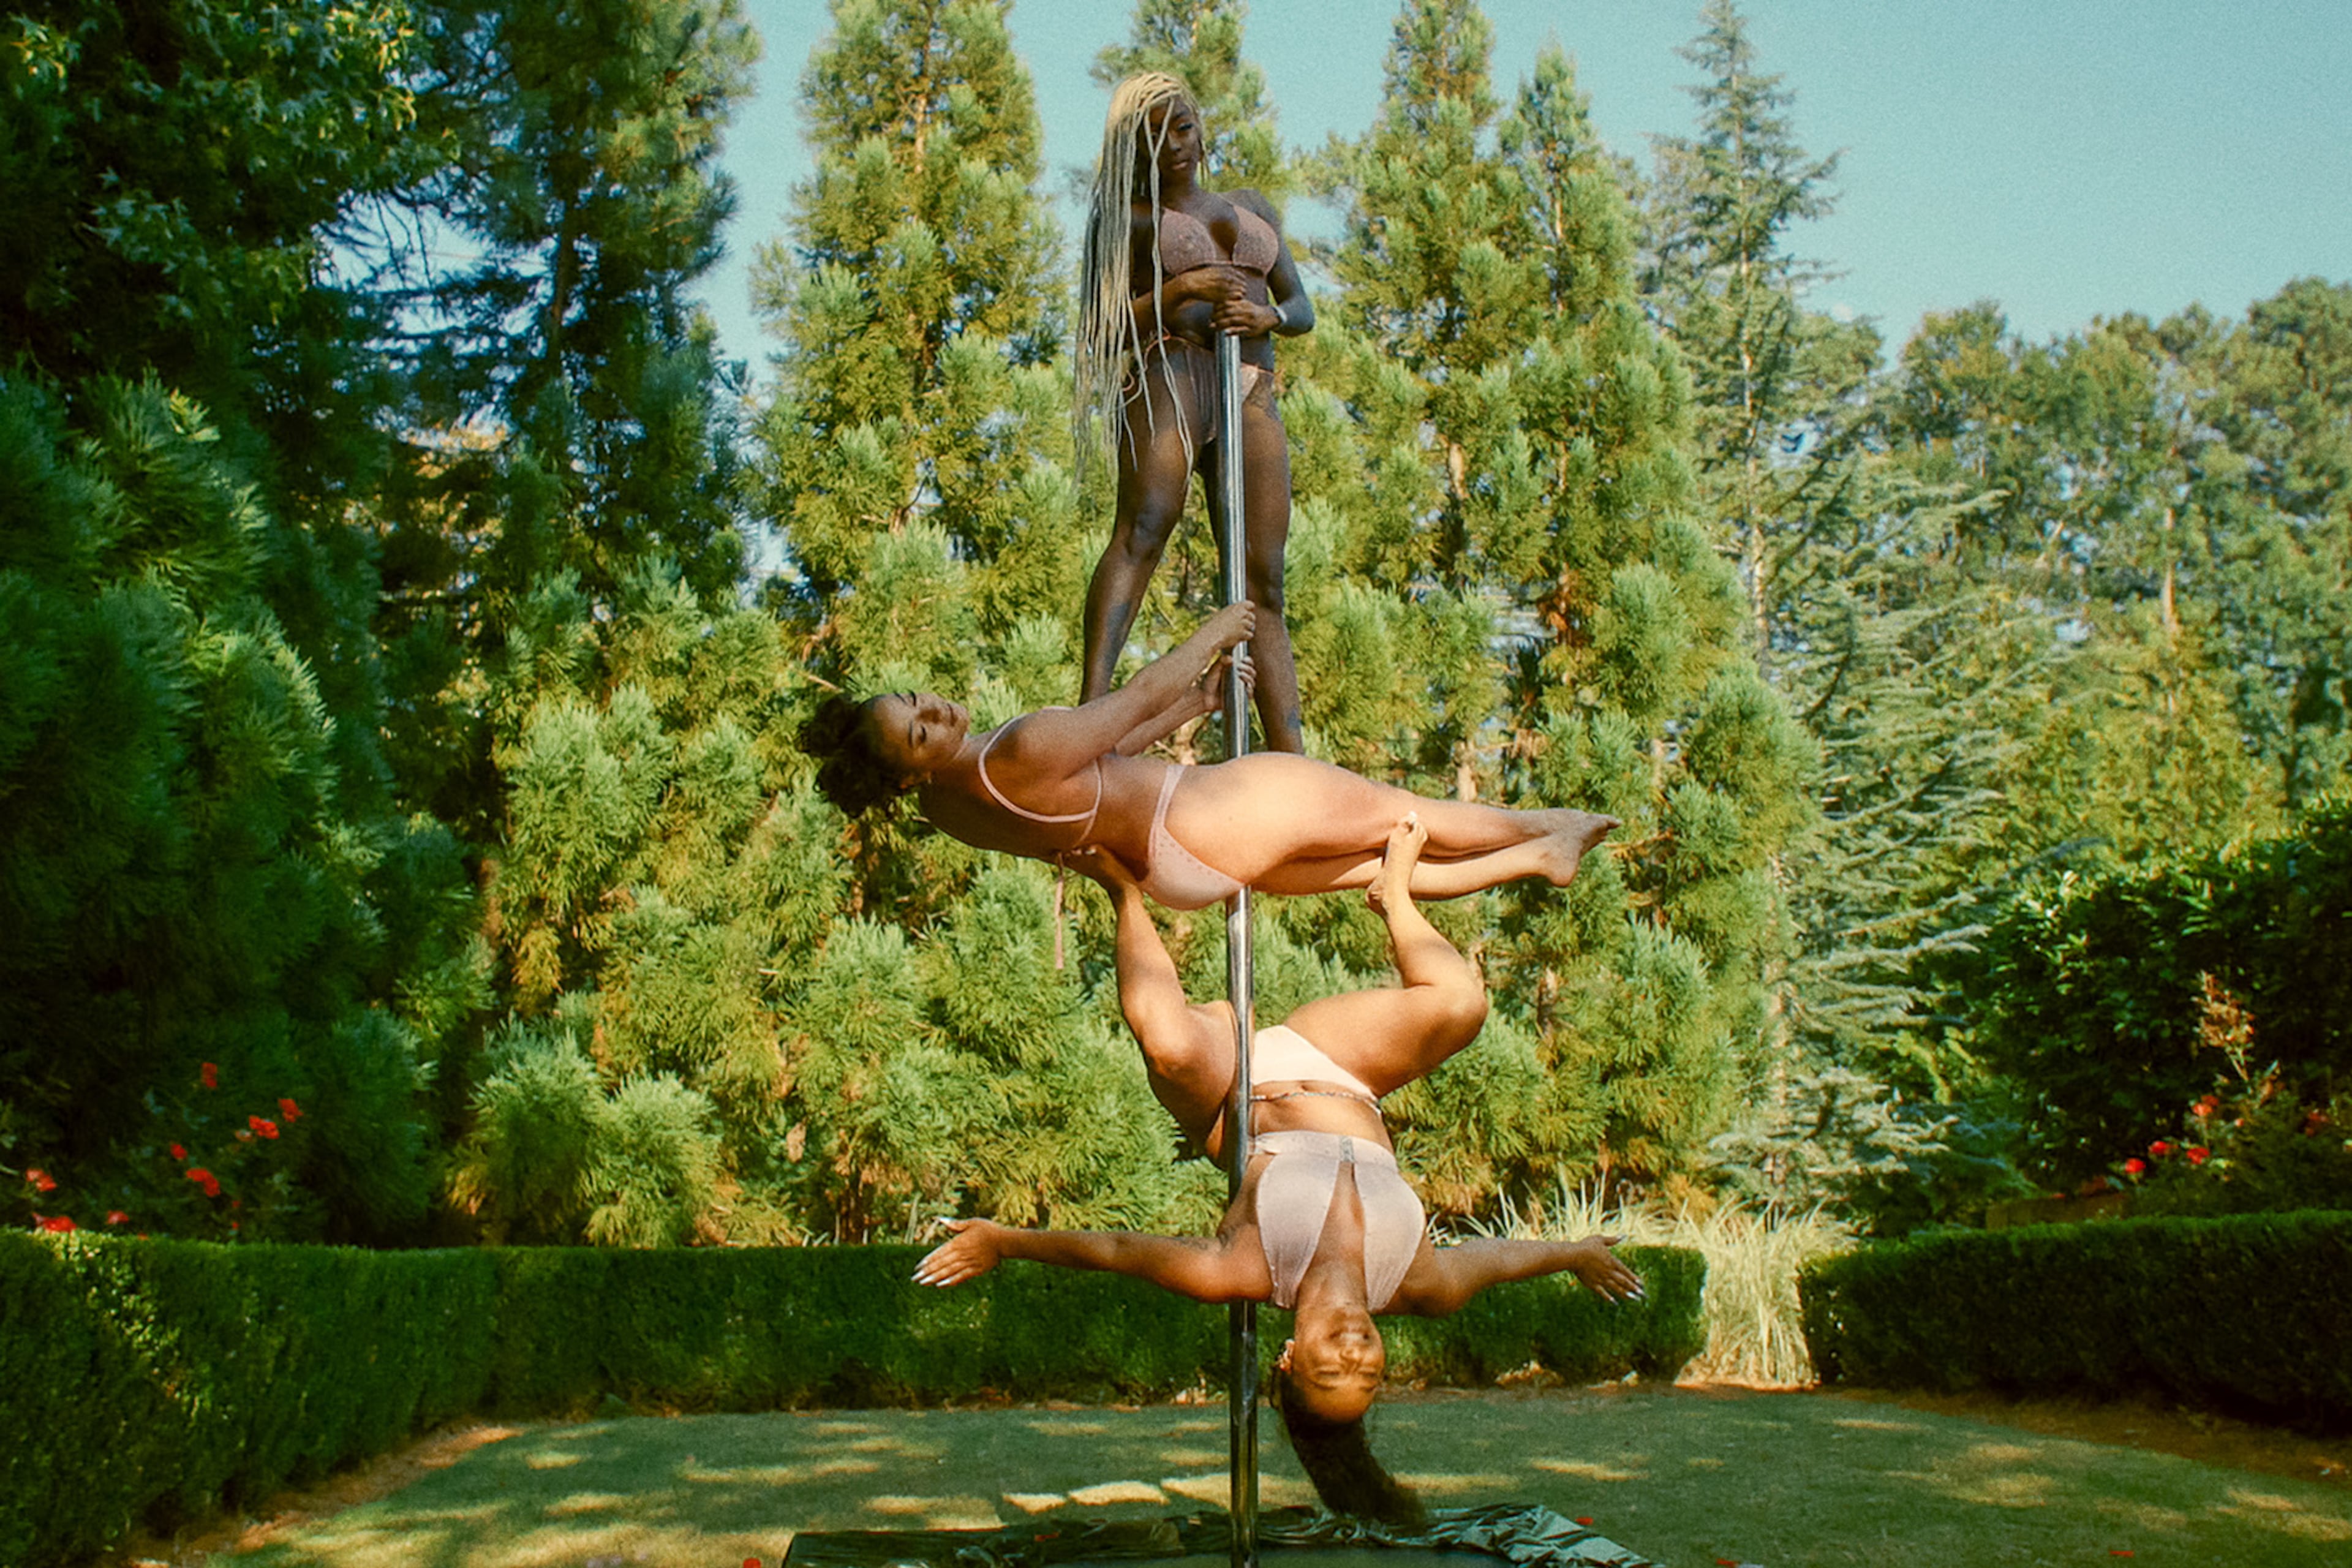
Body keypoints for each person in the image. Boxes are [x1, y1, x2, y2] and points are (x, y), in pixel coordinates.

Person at [913, 818, 1645, 1523]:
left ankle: (1123, 891)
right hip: (1341, 1069)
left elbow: (1117, 1251)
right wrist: (1574, 1254)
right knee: (1461, 1004)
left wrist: (1002, 1239)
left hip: (1234, 1088)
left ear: (1291, 1358)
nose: (1355, 1351)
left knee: (1167, 1044)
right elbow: (1502, 1257)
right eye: (1369, 1369)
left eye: (1332, 1368)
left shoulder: (1244, 1270)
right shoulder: (1417, 1280)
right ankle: (1395, 898)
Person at [798, 603, 1618, 911]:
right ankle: (1556, 823)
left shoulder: (950, 808)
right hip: (1207, 815)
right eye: (920, 732)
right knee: (1408, 815)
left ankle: (1539, 859)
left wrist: (1198, 706)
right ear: (910, 769)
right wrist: (1219, 632)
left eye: (916, 700)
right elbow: (1141, 693)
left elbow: (1097, 773)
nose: (936, 711)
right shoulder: (1018, 747)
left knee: (1380, 867)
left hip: (1168, 869)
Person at [1074, 72, 1313, 753]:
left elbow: (1302, 307)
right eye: (1153, 137)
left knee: (1264, 571)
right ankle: (1092, 705)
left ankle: (1290, 756)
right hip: (1170, 370)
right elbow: (1101, 331)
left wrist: (1268, 312)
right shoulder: (1127, 219)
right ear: (1134, 152)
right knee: (1145, 527)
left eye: (1181, 127)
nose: (1174, 146)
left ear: (1201, 126)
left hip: (1250, 381)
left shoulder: (1252, 204)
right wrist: (1181, 290)